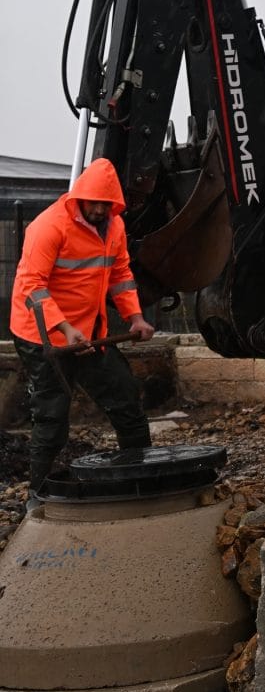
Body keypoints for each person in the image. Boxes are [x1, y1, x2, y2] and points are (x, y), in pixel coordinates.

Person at [10, 157, 155, 503]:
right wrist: (65, 327)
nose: (99, 210)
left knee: (126, 401)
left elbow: (120, 276)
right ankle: (38, 495)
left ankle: (143, 482)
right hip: (42, 335)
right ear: (80, 198)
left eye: (106, 205)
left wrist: (134, 317)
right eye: (94, 203)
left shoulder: (115, 227)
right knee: (51, 416)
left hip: (90, 335)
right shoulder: (49, 226)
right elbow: (33, 285)